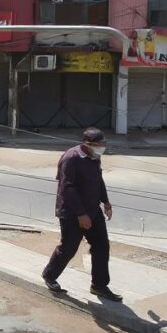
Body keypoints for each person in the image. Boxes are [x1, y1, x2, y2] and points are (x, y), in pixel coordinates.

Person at [42, 127, 121, 302]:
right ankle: (49, 275)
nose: (102, 148)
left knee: (101, 245)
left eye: (103, 144)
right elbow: (67, 189)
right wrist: (80, 214)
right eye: (99, 145)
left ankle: (99, 285)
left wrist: (105, 201)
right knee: (69, 247)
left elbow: (98, 180)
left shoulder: (94, 157)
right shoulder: (71, 158)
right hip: (72, 213)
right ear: (87, 144)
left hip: (93, 210)